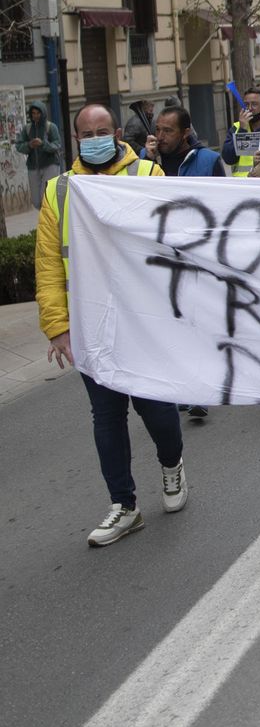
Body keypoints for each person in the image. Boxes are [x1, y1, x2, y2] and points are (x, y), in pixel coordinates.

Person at [36, 103, 186, 547]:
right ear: (76, 139)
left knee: (155, 407)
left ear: (117, 132)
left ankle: (172, 465)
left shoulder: (148, 176)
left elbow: (173, 245)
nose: (96, 137)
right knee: (106, 415)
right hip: (90, 324)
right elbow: (47, 266)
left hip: (144, 323)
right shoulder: (58, 192)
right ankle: (124, 505)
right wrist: (56, 325)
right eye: (87, 133)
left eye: (104, 130)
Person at [145, 105, 226, 178]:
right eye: (157, 129)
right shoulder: (147, 154)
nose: (160, 137)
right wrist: (148, 159)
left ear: (185, 133)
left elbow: (221, 193)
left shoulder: (209, 160)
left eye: (167, 131)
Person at [14, 100, 63, 207]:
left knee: (45, 196)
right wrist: (29, 145)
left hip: (50, 164)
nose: (36, 116)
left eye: (38, 113)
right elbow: (18, 145)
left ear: (43, 113)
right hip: (33, 166)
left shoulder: (50, 127)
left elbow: (57, 145)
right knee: (36, 201)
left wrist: (43, 144)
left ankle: (48, 221)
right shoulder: (27, 129)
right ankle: (46, 217)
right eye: (33, 113)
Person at [222, 86, 260, 176]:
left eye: (254, 104)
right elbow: (228, 159)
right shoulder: (236, 128)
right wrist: (242, 130)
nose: (250, 108)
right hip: (242, 184)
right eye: (246, 104)